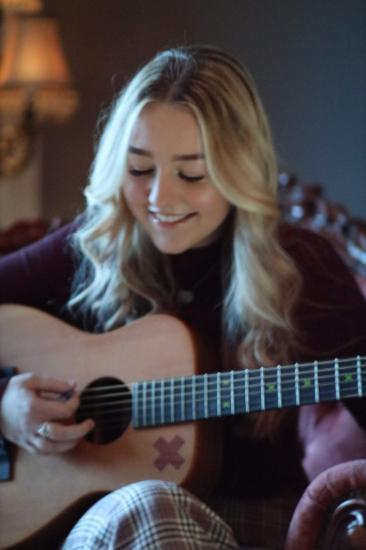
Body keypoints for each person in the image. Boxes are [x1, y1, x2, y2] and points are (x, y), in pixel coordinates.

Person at [1, 44, 366, 549]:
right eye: (139, 169)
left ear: (238, 169)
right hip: (99, 525)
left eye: (192, 174)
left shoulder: (302, 267)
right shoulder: (93, 246)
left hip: (251, 523)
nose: (159, 199)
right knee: (150, 504)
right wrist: (4, 402)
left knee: (155, 506)